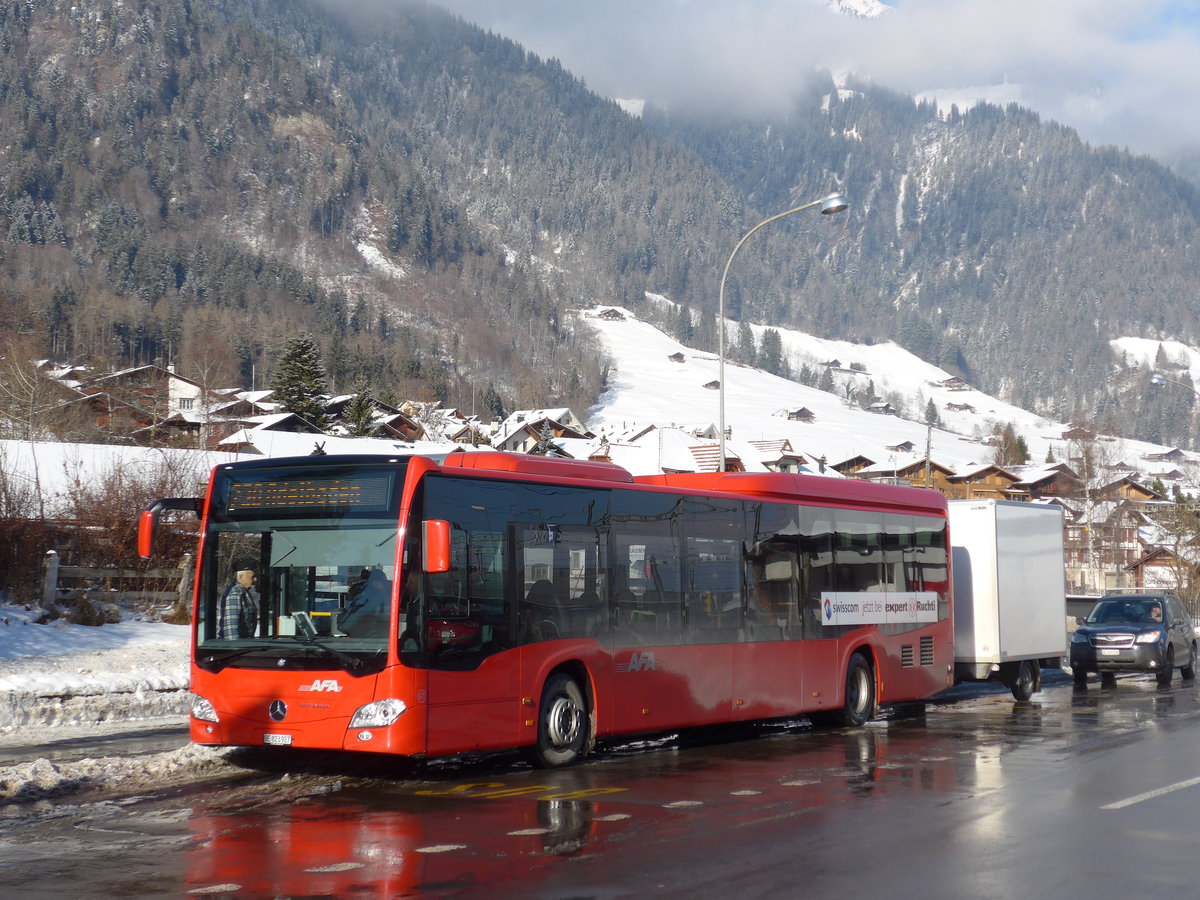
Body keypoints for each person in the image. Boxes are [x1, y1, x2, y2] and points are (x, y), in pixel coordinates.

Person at [217, 563, 258, 639]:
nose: (255, 580)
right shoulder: (235, 594)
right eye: (252, 577)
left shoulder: (244, 593)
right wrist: (236, 649)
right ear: (240, 577)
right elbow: (231, 631)